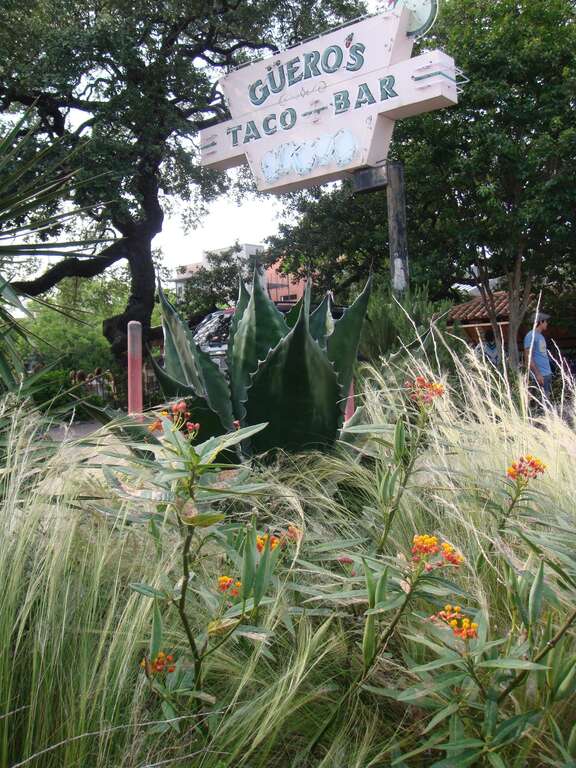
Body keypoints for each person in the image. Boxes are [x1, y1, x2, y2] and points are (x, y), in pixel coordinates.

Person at [524, 312, 552, 397]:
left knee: (547, 402)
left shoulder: (540, 336)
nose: (547, 324)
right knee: (541, 405)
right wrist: (537, 374)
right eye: (546, 322)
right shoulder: (530, 336)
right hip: (540, 376)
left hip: (546, 374)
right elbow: (528, 357)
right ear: (540, 322)